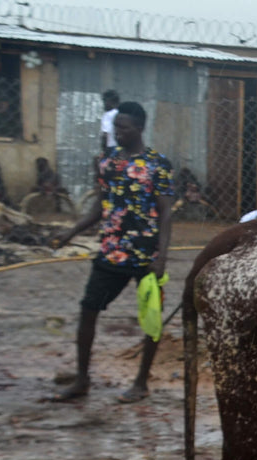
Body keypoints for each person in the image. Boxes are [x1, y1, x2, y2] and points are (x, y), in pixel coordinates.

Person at [50, 101, 175, 403]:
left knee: (151, 320)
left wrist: (162, 256)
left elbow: (167, 212)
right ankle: (82, 379)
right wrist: (72, 230)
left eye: (124, 127)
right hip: (112, 252)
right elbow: (101, 206)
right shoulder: (107, 162)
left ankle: (141, 383)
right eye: (115, 126)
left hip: (146, 255)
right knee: (88, 309)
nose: (117, 132)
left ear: (140, 128)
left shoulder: (158, 164)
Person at [100, 89, 120, 155]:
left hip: (111, 148)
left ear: (111, 101)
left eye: (105, 101)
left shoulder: (108, 115)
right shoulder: (121, 113)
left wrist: (104, 151)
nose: (104, 104)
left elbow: (105, 135)